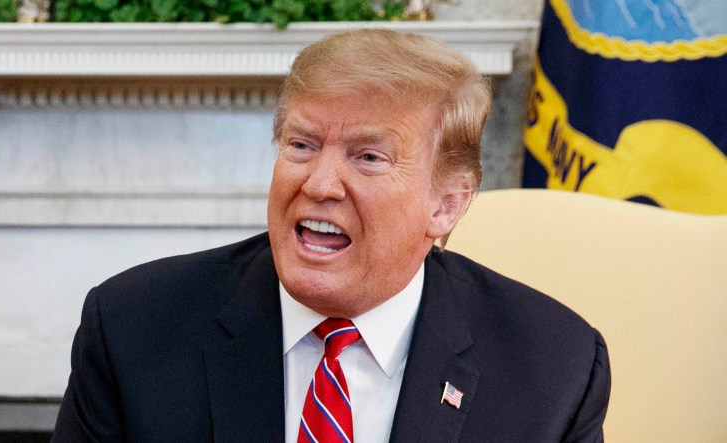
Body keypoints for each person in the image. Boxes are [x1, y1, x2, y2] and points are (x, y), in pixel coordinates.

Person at [52, 29, 610, 442]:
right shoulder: (134, 327)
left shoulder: (553, 367)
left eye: (368, 157)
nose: (319, 184)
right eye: (301, 145)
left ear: (446, 205)